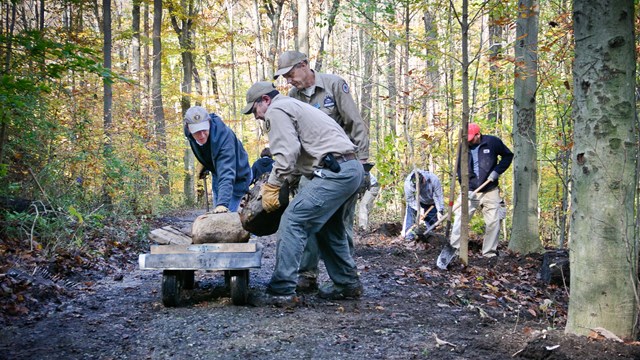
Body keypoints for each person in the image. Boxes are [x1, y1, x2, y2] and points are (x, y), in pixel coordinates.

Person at [242, 81, 364, 304]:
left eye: (255, 110)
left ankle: (282, 289)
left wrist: (272, 185)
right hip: (351, 169)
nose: (256, 116)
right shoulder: (295, 106)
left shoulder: (277, 111)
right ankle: (347, 283)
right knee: (329, 228)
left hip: (335, 172)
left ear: (266, 101)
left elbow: (286, 154)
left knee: (293, 220)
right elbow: (299, 157)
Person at [274, 50, 370, 292]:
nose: (289, 80)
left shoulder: (334, 85)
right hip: (313, 169)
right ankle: (307, 274)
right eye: (284, 77)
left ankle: (346, 278)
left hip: (341, 166)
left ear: (304, 65)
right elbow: (294, 141)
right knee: (306, 218)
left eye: (290, 73)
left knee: (339, 223)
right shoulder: (293, 96)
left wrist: (363, 165)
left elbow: (355, 124)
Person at [446, 122, 513, 259]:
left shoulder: (492, 142)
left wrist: (497, 172)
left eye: (471, 138)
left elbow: (508, 156)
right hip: (470, 190)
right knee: (460, 219)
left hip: (490, 189)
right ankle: (455, 251)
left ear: (478, 134)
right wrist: (464, 188)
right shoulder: (463, 147)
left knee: (493, 222)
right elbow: (459, 169)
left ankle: (489, 254)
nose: (469, 141)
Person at [184, 105, 252, 213]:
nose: (201, 135)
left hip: (238, 176)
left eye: (204, 129)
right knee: (217, 212)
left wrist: (222, 204)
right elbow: (207, 149)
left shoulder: (224, 139)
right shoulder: (189, 134)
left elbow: (227, 173)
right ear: (188, 128)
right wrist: (204, 164)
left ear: (209, 123)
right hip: (217, 173)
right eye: (196, 131)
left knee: (226, 216)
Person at [401, 169, 445, 240]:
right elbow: (410, 199)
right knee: (411, 219)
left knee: (432, 226)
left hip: (431, 203)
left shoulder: (433, 179)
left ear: (424, 179)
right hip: (416, 202)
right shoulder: (408, 184)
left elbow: (438, 196)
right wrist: (419, 210)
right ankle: (409, 238)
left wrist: (440, 210)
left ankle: (430, 239)